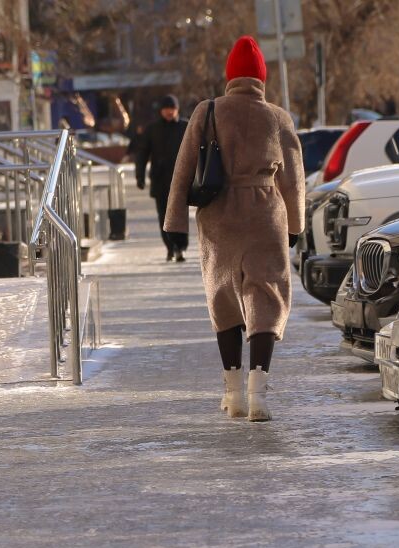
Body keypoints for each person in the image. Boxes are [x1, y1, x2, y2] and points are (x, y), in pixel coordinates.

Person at [164, 36, 304, 422]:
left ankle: (233, 395)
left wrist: (174, 221)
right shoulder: (278, 117)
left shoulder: (207, 111)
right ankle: (259, 395)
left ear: (229, 76)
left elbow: (182, 170)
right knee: (266, 299)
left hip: (219, 216)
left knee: (223, 299)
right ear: (262, 77)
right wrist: (295, 225)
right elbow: (293, 179)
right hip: (265, 215)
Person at [134, 95, 189, 262]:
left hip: (181, 180)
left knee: (180, 215)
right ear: (161, 111)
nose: (169, 112)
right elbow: (142, 153)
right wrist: (140, 176)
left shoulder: (185, 127)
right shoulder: (152, 129)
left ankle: (180, 247)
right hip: (160, 180)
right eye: (166, 109)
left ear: (177, 109)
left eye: (172, 109)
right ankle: (170, 248)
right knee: (164, 216)